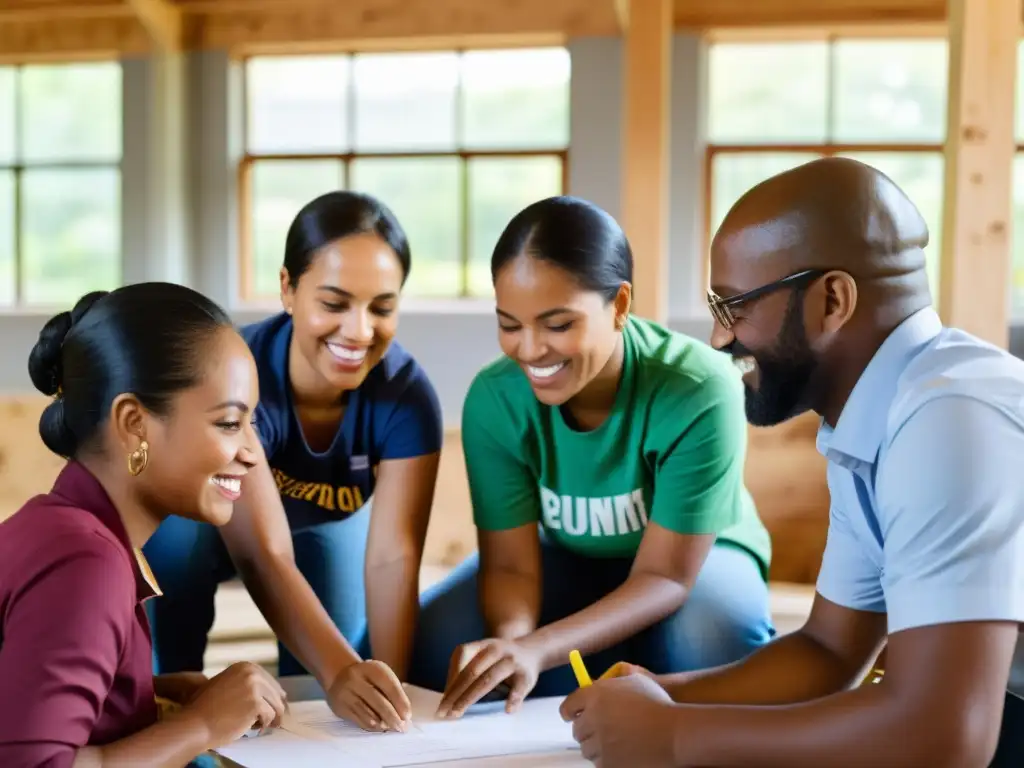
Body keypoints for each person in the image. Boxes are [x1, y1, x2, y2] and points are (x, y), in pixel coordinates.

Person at [559, 157, 1024, 768]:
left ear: (832, 300)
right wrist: (661, 698)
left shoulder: (950, 419)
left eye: (735, 307)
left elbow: (944, 735)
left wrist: (672, 738)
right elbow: (829, 651)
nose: (720, 339)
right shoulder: (873, 420)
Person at [409, 195, 774, 718]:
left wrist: (542, 646)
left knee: (709, 636)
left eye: (558, 325)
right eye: (510, 324)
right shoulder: (494, 399)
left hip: (696, 561)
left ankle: (633, 655)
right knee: (442, 640)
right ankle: (599, 654)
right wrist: (510, 646)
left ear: (620, 305)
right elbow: (511, 565)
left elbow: (666, 577)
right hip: (567, 556)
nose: (531, 350)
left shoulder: (698, 388)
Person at [144, 190, 445, 732]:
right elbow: (262, 551)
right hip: (203, 523)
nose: (359, 331)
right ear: (288, 288)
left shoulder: (408, 396)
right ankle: (168, 692)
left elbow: (393, 559)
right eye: (334, 304)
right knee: (177, 549)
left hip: (313, 532)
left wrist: (387, 689)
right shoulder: (239, 371)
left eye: (382, 306)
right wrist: (339, 671)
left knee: (326, 669)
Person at [0, 284, 289, 766]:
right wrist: (202, 726)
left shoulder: (61, 529)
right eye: (228, 423)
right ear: (134, 422)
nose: (252, 453)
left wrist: (149, 694)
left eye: (252, 424)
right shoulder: (85, 563)